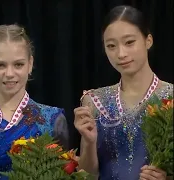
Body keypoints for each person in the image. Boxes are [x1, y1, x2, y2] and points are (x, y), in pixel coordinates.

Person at [73, 5, 173, 180]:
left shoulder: (170, 98)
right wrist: (88, 142)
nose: (121, 53)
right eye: (111, 46)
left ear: (148, 40)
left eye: (129, 42)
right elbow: (87, 175)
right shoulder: (95, 101)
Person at [0, 24, 70, 179]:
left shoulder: (53, 119)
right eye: (0, 65)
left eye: (18, 64)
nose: (9, 73)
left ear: (30, 64)